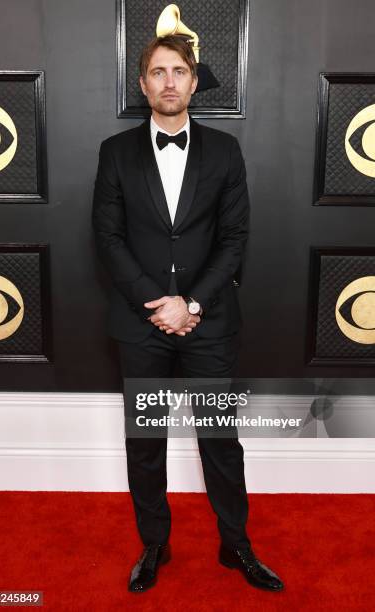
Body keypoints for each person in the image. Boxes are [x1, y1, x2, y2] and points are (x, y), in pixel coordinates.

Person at [92, 35, 283, 593]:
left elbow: (234, 238)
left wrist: (192, 304)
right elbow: (108, 239)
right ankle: (154, 543)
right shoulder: (114, 152)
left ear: (195, 82)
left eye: (179, 71)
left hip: (210, 323)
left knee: (220, 440)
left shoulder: (224, 151)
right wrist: (159, 305)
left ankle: (236, 545)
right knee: (145, 441)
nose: (169, 81)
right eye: (158, 71)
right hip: (141, 325)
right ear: (144, 83)